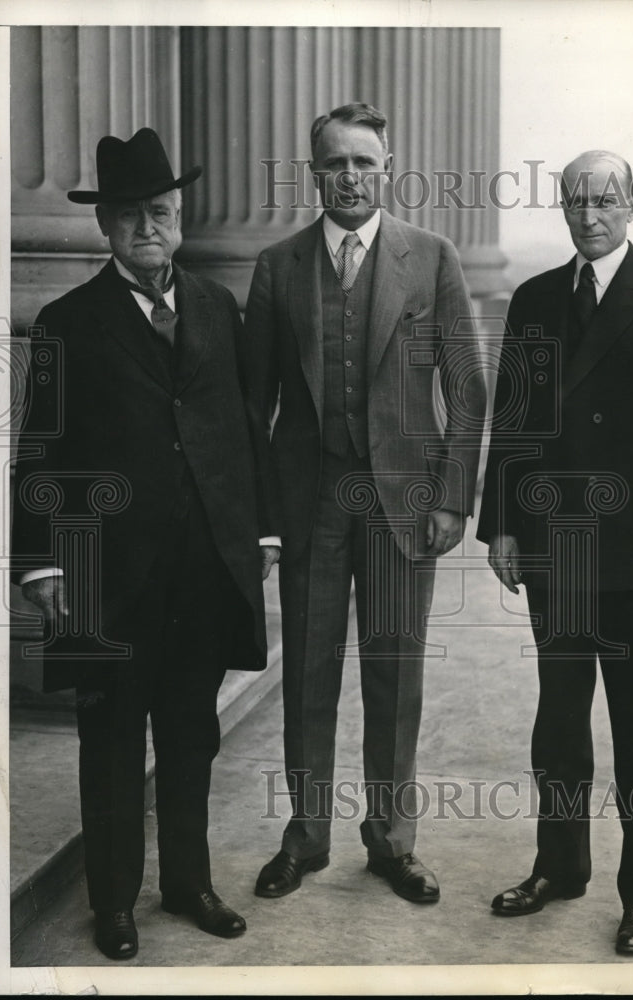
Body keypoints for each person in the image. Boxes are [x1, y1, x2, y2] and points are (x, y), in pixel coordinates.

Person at [11, 128, 281, 961]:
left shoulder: (213, 307)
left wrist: (262, 529)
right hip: (106, 573)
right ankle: (114, 902)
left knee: (191, 732)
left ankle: (189, 884)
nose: (147, 227)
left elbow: (244, 428)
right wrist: (42, 562)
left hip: (201, 565)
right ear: (105, 227)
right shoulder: (67, 321)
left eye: (159, 211)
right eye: (129, 216)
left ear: (180, 214)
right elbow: (41, 452)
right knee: (113, 740)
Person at [243, 102, 486, 904]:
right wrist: (265, 520)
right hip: (311, 503)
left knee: (394, 675)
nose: (350, 175)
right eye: (334, 162)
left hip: (401, 506)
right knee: (308, 677)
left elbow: (466, 388)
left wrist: (451, 499)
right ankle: (305, 840)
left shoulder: (432, 256)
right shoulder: (278, 267)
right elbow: (255, 405)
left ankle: (391, 841)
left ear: (387, 168)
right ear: (314, 171)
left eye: (363, 161)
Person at [478, 150, 633, 954]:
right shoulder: (535, 299)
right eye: (575, 201)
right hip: (554, 549)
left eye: (605, 201)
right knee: (558, 725)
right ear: (563, 208)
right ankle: (559, 867)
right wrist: (500, 524)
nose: (589, 215)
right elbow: (510, 424)